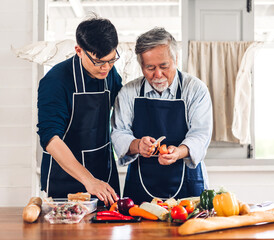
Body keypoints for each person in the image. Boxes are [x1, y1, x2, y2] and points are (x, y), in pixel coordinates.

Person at [111, 27, 213, 204]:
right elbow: (118, 133)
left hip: (188, 183)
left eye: (164, 66)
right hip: (140, 187)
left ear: (176, 59)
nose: (158, 75)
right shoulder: (128, 92)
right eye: (150, 68)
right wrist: (137, 145)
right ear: (141, 66)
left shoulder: (195, 90)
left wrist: (179, 152)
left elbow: (200, 134)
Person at [37, 17, 122, 206]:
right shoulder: (55, 81)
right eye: (99, 62)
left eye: (111, 60)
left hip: (104, 174)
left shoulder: (109, 73)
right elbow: (50, 139)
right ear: (79, 51)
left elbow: (123, 111)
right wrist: (89, 180)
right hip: (65, 183)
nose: (106, 68)